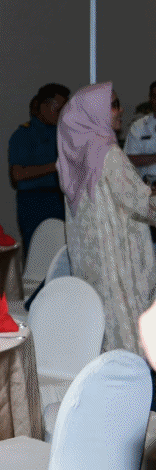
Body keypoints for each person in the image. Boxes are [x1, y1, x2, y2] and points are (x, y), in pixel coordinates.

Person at [58, 82, 156, 357]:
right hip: (118, 260)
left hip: (92, 262)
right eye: (113, 105)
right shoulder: (109, 155)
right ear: (95, 113)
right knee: (127, 337)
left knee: (101, 331)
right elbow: (143, 204)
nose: (120, 110)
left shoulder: (74, 154)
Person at [7, 83, 70, 257]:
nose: (62, 115)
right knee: (38, 258)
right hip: (35, 202)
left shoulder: (63, 133)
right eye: (58, 110)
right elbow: (17, 174)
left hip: (60, 200)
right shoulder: (23, 135)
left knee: (63, 256)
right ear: (43, 106)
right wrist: (55, 165)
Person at [123, 80, 156, 185]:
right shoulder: (138, 126)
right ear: (150, 99)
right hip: (145, 187)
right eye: (155, 97)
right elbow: (128, 159)